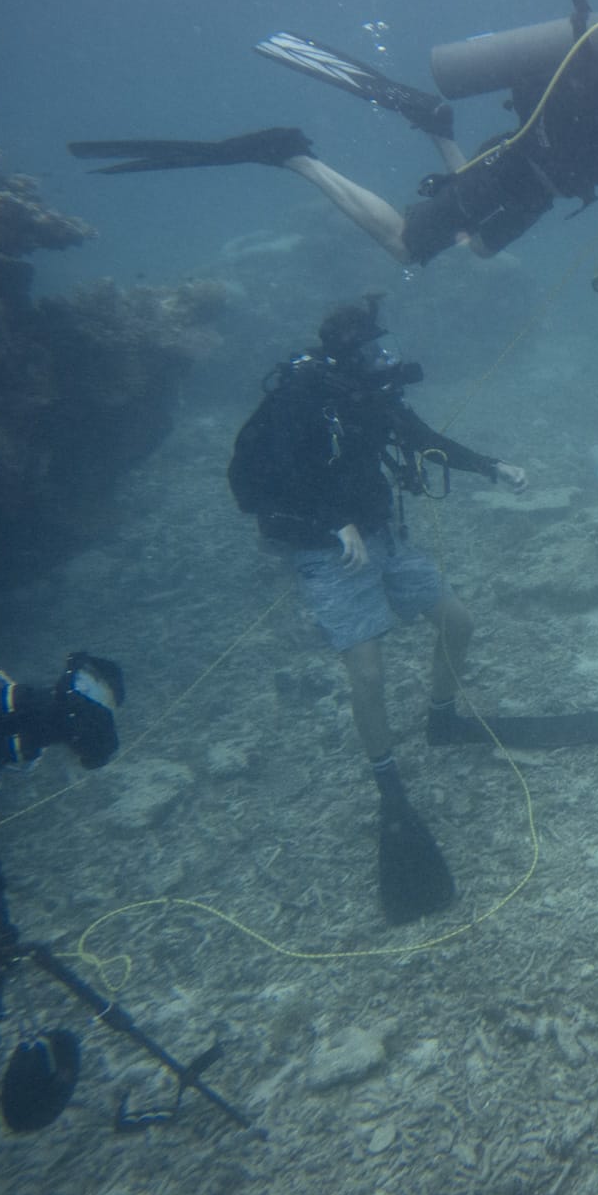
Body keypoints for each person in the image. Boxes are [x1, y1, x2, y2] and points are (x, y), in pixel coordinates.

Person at [229, 294, 536, 923]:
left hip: (383, 537)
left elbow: (421, 440)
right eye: (371, 350)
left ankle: (442, 720)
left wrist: (490, 466)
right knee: (367, 674)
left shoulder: (371, 397)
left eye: (381, 347)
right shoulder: (297, 401)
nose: (383, 358)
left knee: (458, 621)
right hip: (329, 551)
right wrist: (329, 525)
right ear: (345, 356)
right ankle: (387, 783)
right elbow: (265, 487)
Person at [69, 17, 598, 268]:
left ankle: (435, 125)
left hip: (534, 184)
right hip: (519, 173)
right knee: (404, 247)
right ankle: (292, 153)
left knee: (478, 251)